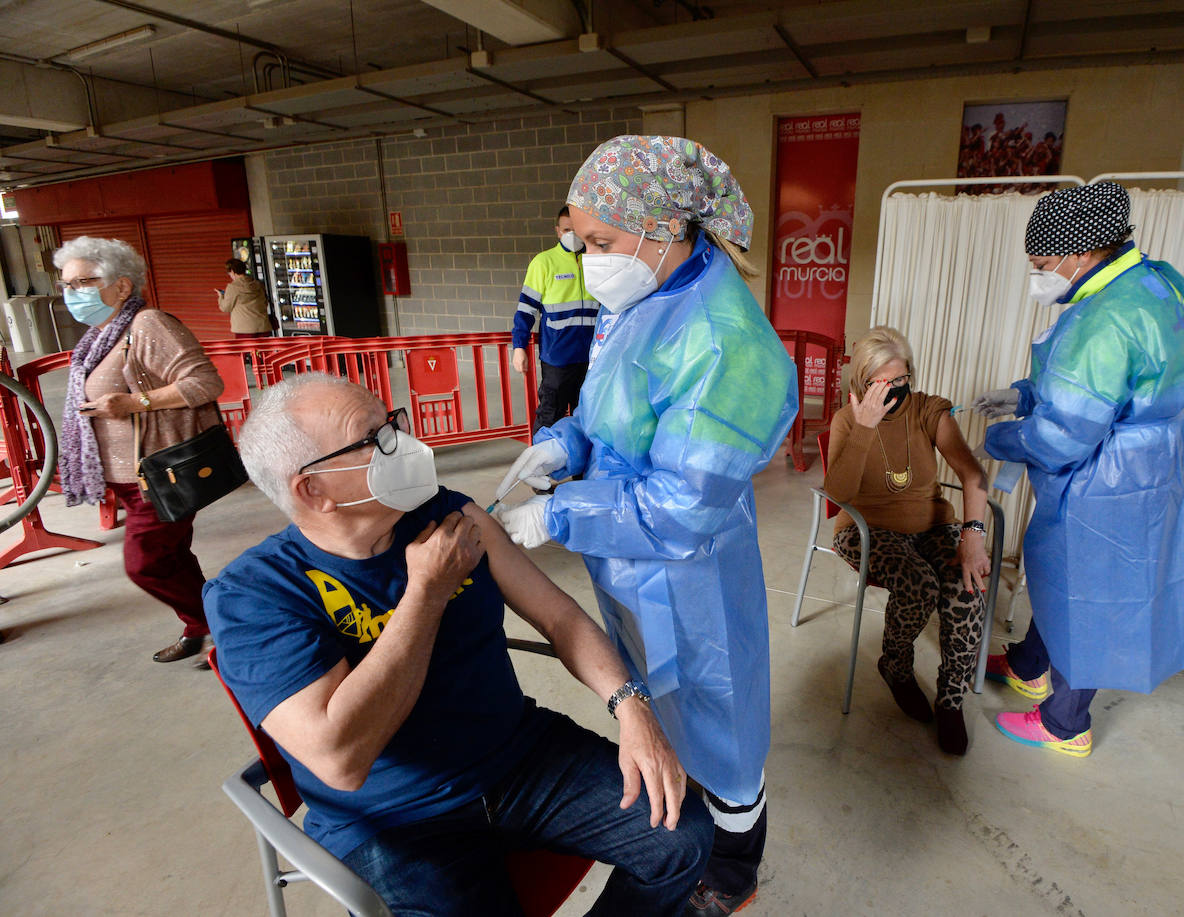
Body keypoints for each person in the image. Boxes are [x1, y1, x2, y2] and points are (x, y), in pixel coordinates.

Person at [203, 373, 713, 916]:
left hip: (518, 759)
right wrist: (426, 592)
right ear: (314, 490)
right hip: (394, 819)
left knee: (682, 838)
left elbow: (559, 616)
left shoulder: (447, 515)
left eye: (392, 422)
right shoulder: (255, 595)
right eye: (373, 438)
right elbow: (341, 759)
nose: (406, 442)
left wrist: (630, 705)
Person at [492, 136, 798, 916]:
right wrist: (559, 446)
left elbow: (681, 506)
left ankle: (735, 869)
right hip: (629, 558)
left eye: (598, 242)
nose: (587, 258)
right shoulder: (646, 297)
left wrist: (558, 512)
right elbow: (611, 412)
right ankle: (698, 816)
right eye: (580, 241)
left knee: (720, 723)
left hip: (691, 571)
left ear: (662, 227)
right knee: (662, 703)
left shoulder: (724, 339)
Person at [974, 181, 1184, 758]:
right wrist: (1026, 391)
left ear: (1080, 253)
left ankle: (1064, 723)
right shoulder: (1159, 281)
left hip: (1109, 472)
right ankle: (1030, 664)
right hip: (1154, 454)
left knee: (1094, 586)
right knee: (1062, 574)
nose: (1037, 275)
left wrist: (1005, 436)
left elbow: (1061, 435)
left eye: (1042, 263)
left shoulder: (1101, 320)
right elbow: (1123, 378)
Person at [54, 236, 225, 664]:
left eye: (83, 282)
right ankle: (205, 628)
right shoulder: (100, 335)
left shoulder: (148, 326)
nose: (72, 293)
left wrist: (134, 402)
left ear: (122, 286)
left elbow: (205, 383)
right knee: (173, 558)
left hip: (161, 473)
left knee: (143, 563)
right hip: (131, 478)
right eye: (66, 284)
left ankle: (225, 628)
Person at [823, 326, 991, 756]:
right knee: (919, 584)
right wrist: (863, 428)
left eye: (902, 379)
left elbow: (972, 475)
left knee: (965, 589)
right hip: (866, 529)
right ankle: (895, 665)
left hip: (933, 526)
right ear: (863, 383)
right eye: (884, 383)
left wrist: (973, 536)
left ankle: (951, 698)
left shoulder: (928, 410)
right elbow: (837, 494)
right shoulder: (849, 419)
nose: (895, 390)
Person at [510, 205, 598, 431]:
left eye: (576, 229)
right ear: (558, 231)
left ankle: (581, 465)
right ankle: (542, 464)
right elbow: (526, 308)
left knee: (589, 417)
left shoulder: (595, 261)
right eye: (567, 229)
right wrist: (519, 347)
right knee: (550, 416)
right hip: (558, 357)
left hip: (591, 357)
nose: (572, 234)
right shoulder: (543, 262)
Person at [217, 258, 273, 338]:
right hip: (263, 326)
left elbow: (225, 308)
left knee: (246, 350)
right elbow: (265, 302)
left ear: (232, 271)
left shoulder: (233, 287)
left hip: (244, 329)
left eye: (229, 273)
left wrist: (221, 297)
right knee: (264, 350)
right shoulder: (258, 284)